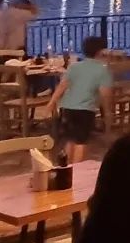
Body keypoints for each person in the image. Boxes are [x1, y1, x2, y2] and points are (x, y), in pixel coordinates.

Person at [48, 35, 115, 163]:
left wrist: (52, 102)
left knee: (70, 139)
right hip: (85, 109)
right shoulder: (102, 70)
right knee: (81, 141)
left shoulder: (74, 67)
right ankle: (77, 169)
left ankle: (66, 167)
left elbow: (62, 86)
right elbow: (105, 94)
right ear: (100, 52)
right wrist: (107, 112)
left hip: (67, 107)